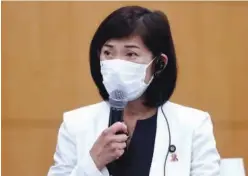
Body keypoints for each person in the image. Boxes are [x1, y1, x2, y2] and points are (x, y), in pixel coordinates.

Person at [47, 5, 221, 176]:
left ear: (159, 63)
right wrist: (93, 162)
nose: (116, 64)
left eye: (131, 54)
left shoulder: (193, 125)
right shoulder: (75, 124)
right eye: (108, 53)